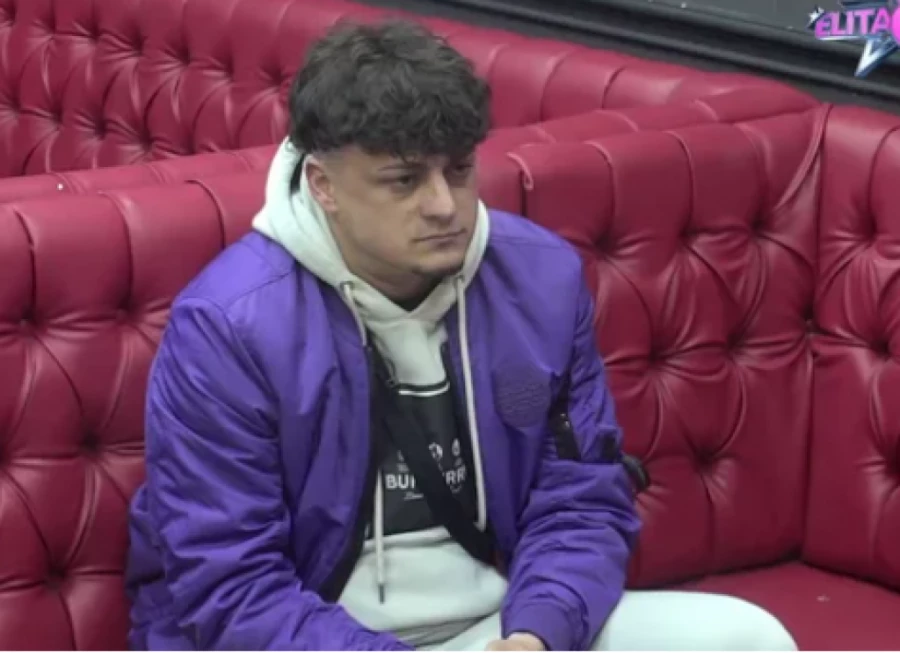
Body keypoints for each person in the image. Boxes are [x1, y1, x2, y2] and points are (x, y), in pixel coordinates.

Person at [125, 19, 798, 652]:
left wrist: (537, 633)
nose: (445, 206)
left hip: (495, 625)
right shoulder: (228, 327)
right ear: (323, 185)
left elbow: (580, 499)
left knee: (748, 637)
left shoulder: (539, 282)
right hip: (317, 637)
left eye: (458, 170)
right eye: (404, 180)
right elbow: (233, 587)